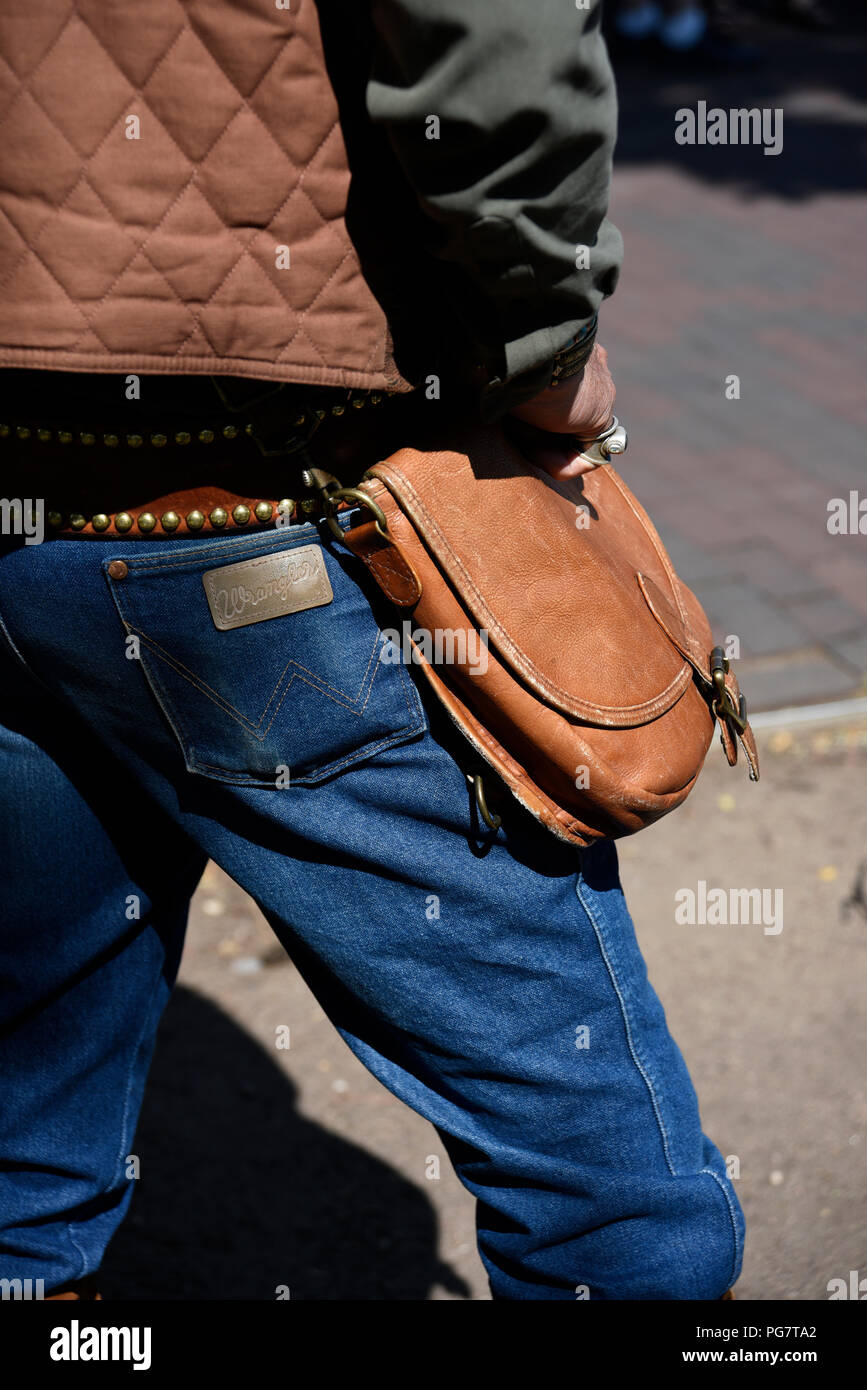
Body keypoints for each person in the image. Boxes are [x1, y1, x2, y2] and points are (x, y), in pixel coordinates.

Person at [0, 0, 743, 1301]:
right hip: (260, 498)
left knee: (22, 1165)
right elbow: (491, 37)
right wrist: (546, 334)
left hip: (26, 524)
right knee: (615, 1203)